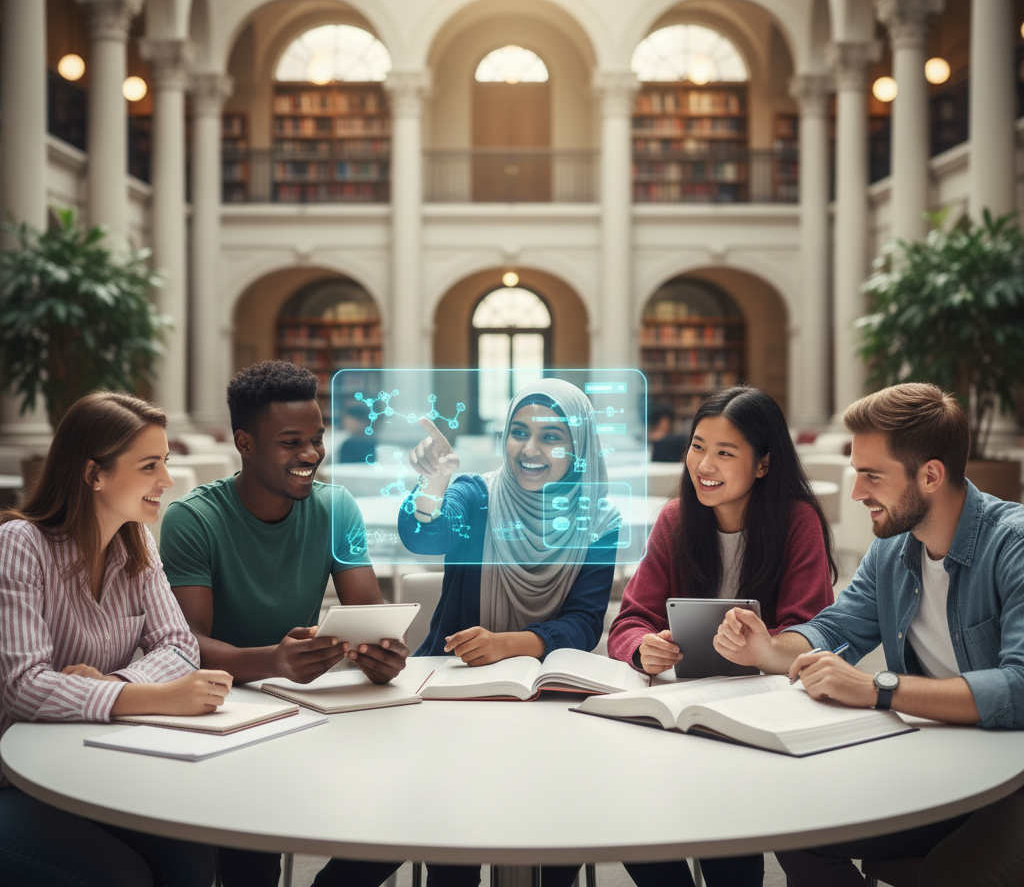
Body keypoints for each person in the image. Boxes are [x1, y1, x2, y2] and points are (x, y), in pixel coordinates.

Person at [712, 383, 1024, 886]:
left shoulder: (1014, 545)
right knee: (796, 827)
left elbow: (1019, 687)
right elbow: (837, 628)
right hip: (943, 765)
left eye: (871, 476)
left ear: (930, 475)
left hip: (1014, 781)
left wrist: (879, 688)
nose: (857, 493)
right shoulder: (893, 548)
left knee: (947, 874)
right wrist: (769, 650)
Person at [360, 378, 621, 887]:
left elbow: (587, 621)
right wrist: (435, 483)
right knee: (450, 840)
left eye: (552, 437)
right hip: (454, 695)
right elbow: (424, 534)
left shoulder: (600, 521)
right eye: (519, 432)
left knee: (557, 828)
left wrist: (508, 644)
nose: (530, 448)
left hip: (549, 697)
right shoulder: (475, 495)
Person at [159, 361, 408, 887]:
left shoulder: (336, 508)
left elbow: (369, 621)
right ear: (244, 443)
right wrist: (272, 660)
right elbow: (184, 649)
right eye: (292, 442)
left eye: (317, 439)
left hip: (307, 714)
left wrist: (382, 657)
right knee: (252, 862)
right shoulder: (193, 519)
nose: (312, 455)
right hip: (225, 720)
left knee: (405, 812)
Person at [608, 384, 838, 887]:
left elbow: (811, 628)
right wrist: (641, 648)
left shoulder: (797, 522)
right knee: (628, 808)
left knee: (725, 824)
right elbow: (628, 621)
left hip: (765, 710)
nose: (704, 466)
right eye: (697, 447)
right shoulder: (675, 520)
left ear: (762, 464)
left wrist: (762, 645)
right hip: (687, 704)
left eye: (725, 453)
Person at [0, 392, 229, 887]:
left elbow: (179, 645)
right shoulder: (21, 545)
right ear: (94, 474)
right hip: (12, 779)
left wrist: (115, 682)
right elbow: (22, 687)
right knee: (121, 877)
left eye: (164, 463)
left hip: (90, 764)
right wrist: (149, 696)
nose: (166, 480)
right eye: (150, 466)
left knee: (193, 859)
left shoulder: (137, 541)